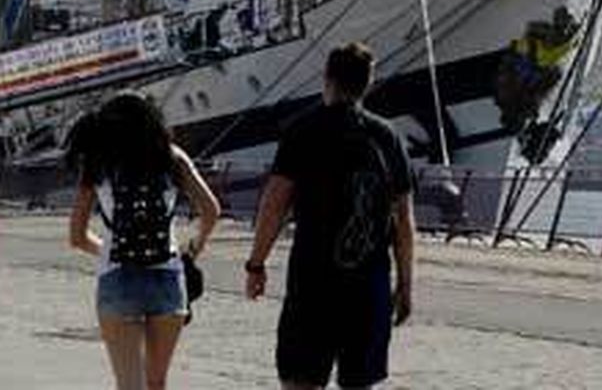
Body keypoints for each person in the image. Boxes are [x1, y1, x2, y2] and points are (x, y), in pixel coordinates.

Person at [245, 42, 417, 390]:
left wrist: (256, 264)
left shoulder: (302, 130)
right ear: (368, 82)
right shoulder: (387, 136)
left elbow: (274, 204)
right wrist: (405, 285)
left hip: (313, 283)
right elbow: (404, 223)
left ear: (327, 78)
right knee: (359, 382)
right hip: (368, 284)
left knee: (300, 380)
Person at [66, 92, 221, 390]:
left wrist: (107, 251)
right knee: (156, 382)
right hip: (167, 278)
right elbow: (211, 210)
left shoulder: (99, 163)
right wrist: (193, 248)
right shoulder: (172, 156)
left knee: (129, 386)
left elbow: (76, 237)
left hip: (117, 277)